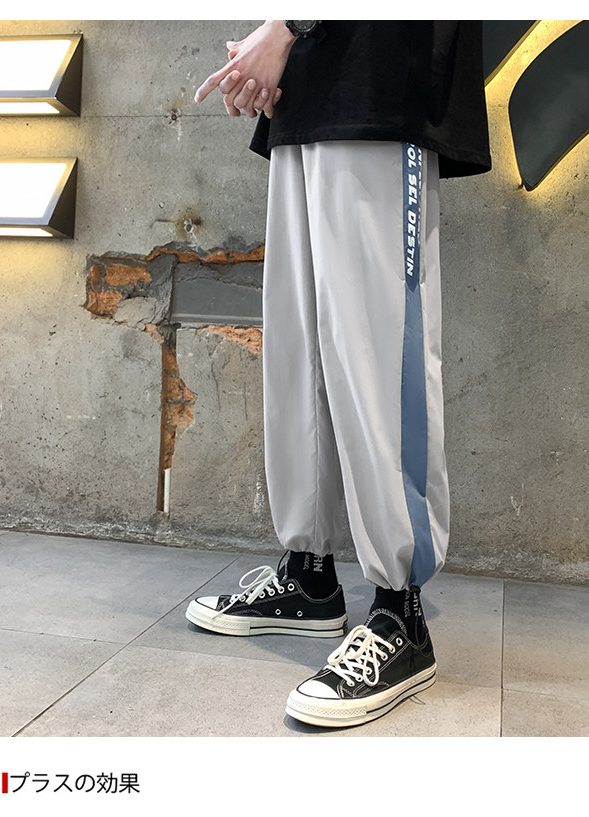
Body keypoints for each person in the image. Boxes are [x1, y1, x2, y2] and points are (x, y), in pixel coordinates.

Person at [186, 20, 491, 728]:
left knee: (378, 352)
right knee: (302, 351)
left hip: (381, 76)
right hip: (309, 89)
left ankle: (400, 615)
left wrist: (285, 26)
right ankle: (310, 577)